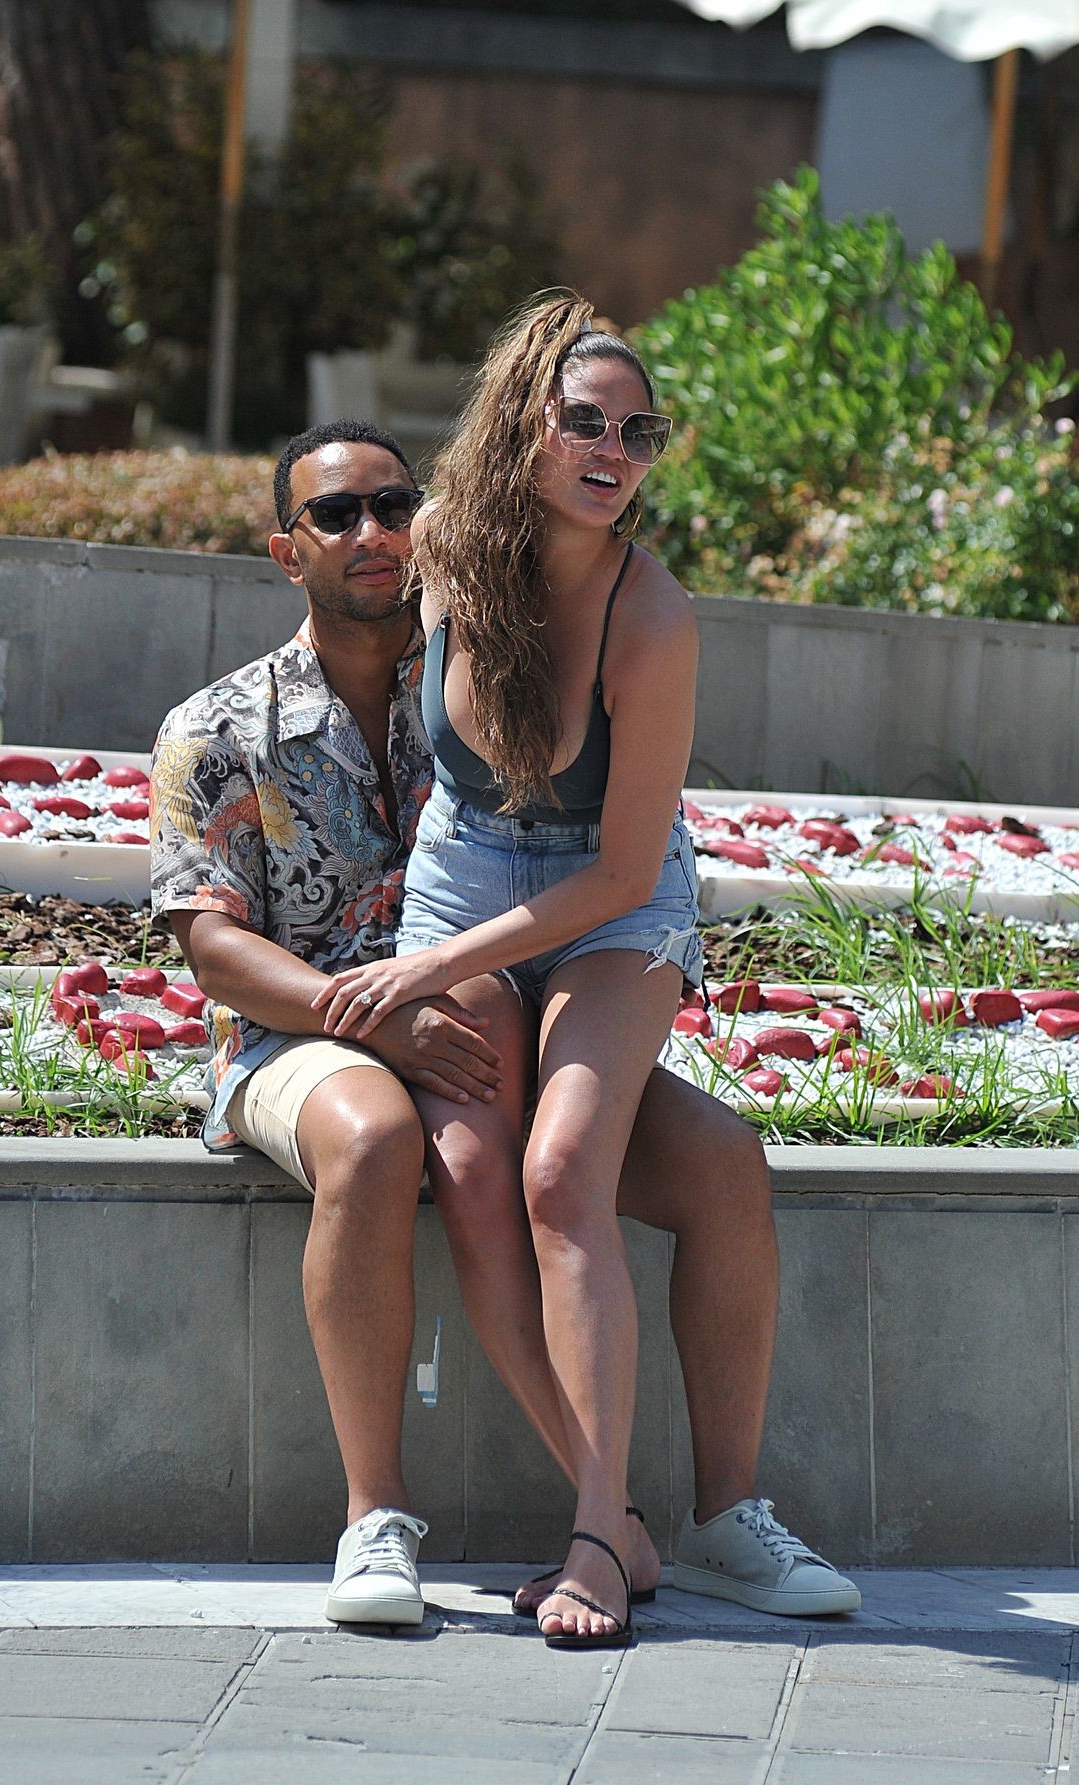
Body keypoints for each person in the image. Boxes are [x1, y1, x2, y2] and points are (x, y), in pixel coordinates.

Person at [149, 409, 859, 1636]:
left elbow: (600, 843)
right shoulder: (216, 730)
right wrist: (371, 1021)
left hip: (490, 1022)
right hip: (304, 1036)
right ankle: (387, 1514)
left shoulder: (480, 672)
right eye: (335, 514)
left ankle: (726, 1517)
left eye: (393, 506)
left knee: (723, 1164)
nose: (373, 533)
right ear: (285, 549)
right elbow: (212, 949)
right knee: (377, 1138)